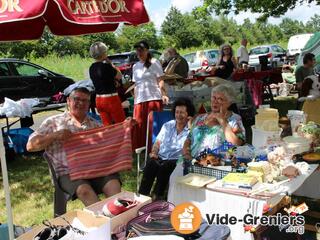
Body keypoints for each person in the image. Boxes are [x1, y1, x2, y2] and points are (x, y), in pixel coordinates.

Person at [26, 87, 121, 206]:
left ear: (89, 104)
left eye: (85, 101)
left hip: (95, 170)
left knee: (113, 183)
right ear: (68, 101)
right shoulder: (53, 122)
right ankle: (103, 219)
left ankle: (116, 214)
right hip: (68, 172)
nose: (81, 103)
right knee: (84, 190)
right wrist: (54, 135)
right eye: (77, 99)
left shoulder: (96, 125)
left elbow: (110, 146)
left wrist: (124, 129)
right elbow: (30, 146)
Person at [139, 98, 195, 200]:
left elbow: (192, 146)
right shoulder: (168, 125)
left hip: (177, 161)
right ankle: (142, 197)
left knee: (166, 167)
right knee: (151, 163)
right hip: (160, 157)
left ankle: (157, 197)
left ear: (188, 114)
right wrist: (154, 152)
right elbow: (158, 142)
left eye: (182, 113)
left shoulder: (191, 129)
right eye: (177, 112)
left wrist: (191, 127)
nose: (178, 115)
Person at [182, 84, 245, 160]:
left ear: (229, 103)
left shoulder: (234, 119)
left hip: (218, 164)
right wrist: (186, 154)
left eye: (220, 99)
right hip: (193, 161)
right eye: (214, 98)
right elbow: (188, 139)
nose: (215, 102)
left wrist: (223, 121)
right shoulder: (200, 118)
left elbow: (236, 144)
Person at [132, 40, 169, 148]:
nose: (139, 53)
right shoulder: (135, 66)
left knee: (153, 125)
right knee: (140, 125)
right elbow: (136, 84)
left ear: (147, 50)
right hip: (140, 100)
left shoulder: (154, 62)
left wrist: (164, 94)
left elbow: (160, 80)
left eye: (141, 50)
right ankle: (142, 147)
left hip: (153, 98)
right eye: (137, 50)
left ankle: (155, 147)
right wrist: (135, 100)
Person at [89, 42, 126, 126]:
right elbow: (119, 76)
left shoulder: (91, 67)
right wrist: (111, 64)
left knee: (107, 125)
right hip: (111, 98)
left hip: (98, 99)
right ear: (104, 52)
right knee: (121, 124)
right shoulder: (107, 66)